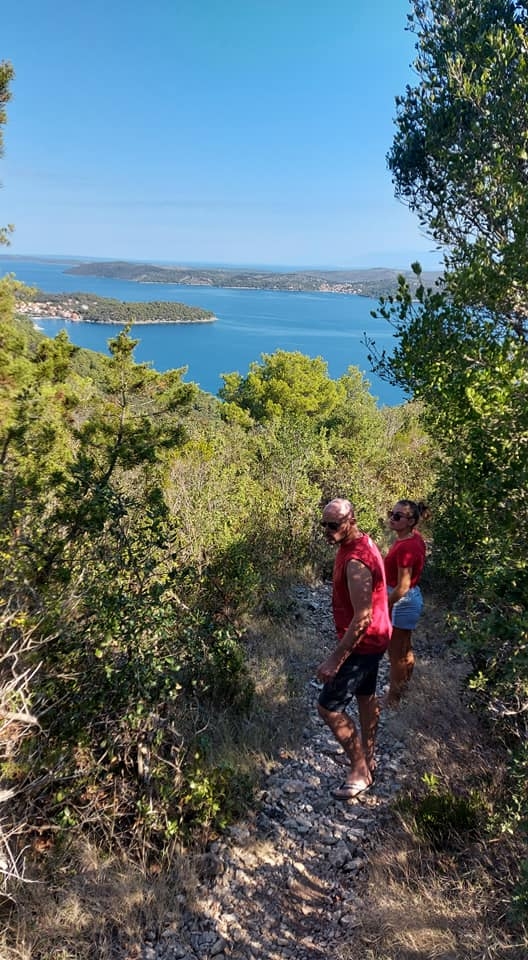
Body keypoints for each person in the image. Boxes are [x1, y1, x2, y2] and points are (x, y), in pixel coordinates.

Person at [316, 498, 391, 800]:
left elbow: (363, 617)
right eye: (324, 524)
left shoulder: (356, 560)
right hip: (377, 637)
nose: (327, 529)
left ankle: (360, 771)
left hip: (364, 643)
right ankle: (369, 758)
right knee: (365, 696)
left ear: (351, 521)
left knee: (329, 707)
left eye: (333, 524)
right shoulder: (359, 543)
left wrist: (335, 660)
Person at [383, 499, 428, 708]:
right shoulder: (413, 538)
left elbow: (402, 586)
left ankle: (393, 699)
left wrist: (384, 605)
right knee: (405, 648)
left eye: (398, 516)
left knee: (396, 655)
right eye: (392, 513)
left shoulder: (407, 547)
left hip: (402, 601)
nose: (392, 518)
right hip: (410, 598)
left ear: (410, 521)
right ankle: (403, 689)